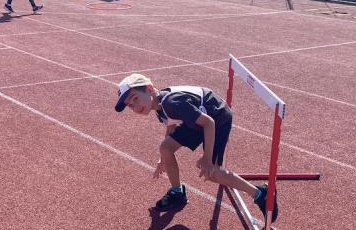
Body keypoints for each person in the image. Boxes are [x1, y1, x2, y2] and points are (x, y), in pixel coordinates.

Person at [114, 73, 279, 221]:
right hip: (197, 120)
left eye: (135, 99)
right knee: (165, 148)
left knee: (212, 172)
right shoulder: (158, 105)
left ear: (149, 89)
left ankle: (261, 194)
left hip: (217, 117)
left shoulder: (172, 103)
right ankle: (177, 192)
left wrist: (207, 158)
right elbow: (171, 126)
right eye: (130, 105)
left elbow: (209, 123)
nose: (135, 107)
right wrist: (163, 158)